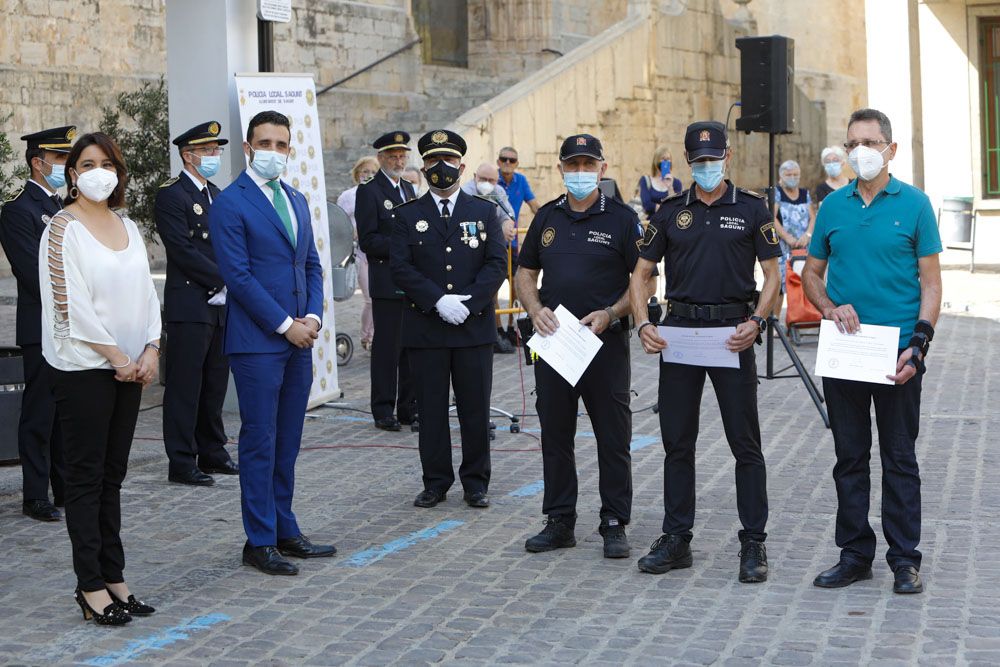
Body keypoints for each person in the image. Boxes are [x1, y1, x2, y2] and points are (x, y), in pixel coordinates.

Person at [628, 121, 781, 583]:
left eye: (713, 160)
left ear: (728, 157)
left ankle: (753, 542)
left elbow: (772, 275)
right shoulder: (672, 210)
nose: (707, 167)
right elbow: (640, 273)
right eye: (699, 161)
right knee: (678, 442)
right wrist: (642, 323)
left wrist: (757, 322)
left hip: (733, 333)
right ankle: (677, 538)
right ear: (688, 161)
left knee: (745, 443)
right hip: (680, 332)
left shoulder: (753, 208)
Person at [802, 108, 943, 595]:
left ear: (890, 149)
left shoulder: (917, 205)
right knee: (849, 456)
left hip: (898, 354)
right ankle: (855, 554)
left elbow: (931, 283)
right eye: (851, 143)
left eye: (869, 142)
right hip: (845, 352)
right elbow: (811, 275)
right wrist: (828, 305)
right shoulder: (834, 208)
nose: (859, 151)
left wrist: (919, 344)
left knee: (899, 456)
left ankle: (905, 559)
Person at [40, 132, 160, 624]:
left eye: (107, 162)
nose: (98, 170)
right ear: (72, 173)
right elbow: (70, 306)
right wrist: (116, 356)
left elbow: (147, 293)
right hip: (87, 368)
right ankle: (89, 586)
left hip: (130, 367)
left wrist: (151, 348)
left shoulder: (127, 225)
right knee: (85, 479)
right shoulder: (61, 228)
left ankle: (115, 577)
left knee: (113, 476)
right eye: (87, 162)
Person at [209, 110, 336, 576]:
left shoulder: (297, 199)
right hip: (258, 343)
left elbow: (312, 265)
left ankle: (285, 527)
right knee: (260, 441)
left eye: (282, 144)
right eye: (265, 143)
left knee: (288, 440)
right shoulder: (231, 202)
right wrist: (286, 324)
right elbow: (238, 277)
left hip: (300, 339)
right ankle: (258, 540)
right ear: (248, 148)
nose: (274, 152)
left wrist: (315, 316)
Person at [515, 133, 653, 559]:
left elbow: (644, 279)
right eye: (572, 165)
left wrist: (612, 314)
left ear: (602, 169)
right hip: (555, 343)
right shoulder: (547, 218)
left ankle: (614, 521)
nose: (579, 172)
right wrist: (534, 308)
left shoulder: (622, 219)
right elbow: (524, 272)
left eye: (587, 165)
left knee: (613, 436)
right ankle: (559, 520)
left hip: (603, 343)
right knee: (555, 433)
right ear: (561, 169)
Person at [390, 129, 506, 509]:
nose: (443, 168)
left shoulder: (484, 211)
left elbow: (495, 265)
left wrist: (468, 303)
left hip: (472, 328)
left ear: (463, 166)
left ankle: (476, 483)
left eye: (450, 161)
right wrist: (438, 300)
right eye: (434, 161)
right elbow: (400, 268)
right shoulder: (406, 215)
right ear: (423, 167)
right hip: (427, 327)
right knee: (432, 410)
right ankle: (435, 481)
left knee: (475, 408)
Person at [155, 121, 238, 487]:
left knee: (214, 382)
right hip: (190, 301)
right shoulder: (172, 195)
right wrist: (222, 279)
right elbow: (182, 249)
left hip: (220, 305)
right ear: (188, 155)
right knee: (185, 385)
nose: (214, 156)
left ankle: (212, 451)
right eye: (207, 151)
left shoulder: (216, 194)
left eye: (216, 150)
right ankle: (182, 460)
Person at [0, 125, 73, 522]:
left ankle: (64, 488)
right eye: (59, 159)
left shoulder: (65, 208)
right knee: (40, 412)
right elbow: (33, 273)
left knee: (66, 412)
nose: (64, 166)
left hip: (71, 327)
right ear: (37, 162)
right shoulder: (17, 210)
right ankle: (35, 494)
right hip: (43, 325)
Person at [356, 131, 419, 432]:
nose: (398, 160)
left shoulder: (408, 188)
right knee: (387, 349)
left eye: (402, 155)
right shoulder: (369, 191)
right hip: (387, 279)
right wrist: (402, 247)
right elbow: (368, 240)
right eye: (392, 155)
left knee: (410, 347)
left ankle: (408, 407)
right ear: (380, 158)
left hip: (411, 282)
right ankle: (383, 408)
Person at [460, 162, 517, 354]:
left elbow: (508, 214)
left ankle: (495, 332)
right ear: (475, 176)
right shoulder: (465, 192)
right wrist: (497, 231)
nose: (487, 183)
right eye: (483, 179)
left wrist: (508, 224)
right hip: (470, 253)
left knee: (492, 289)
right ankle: (491, 332)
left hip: (490, 252)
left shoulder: (498, 192)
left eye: (491, 180)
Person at [496, 146, 540, 346]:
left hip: (512, 244)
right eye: (504, 159)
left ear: (517, 164)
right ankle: (498, 330)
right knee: (493, 290)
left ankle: (513, 328)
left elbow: (534, 205)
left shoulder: (520, 181)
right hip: (494, 243)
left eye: (511, 160)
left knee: (516, 288)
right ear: (498, 161)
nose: (507, 163)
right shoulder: (491, 181)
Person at [336, 156, 379, 350]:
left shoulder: (379, 194)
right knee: (370, 298)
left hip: (377, 253)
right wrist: (353, 232)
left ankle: (374, 336)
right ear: (357, 173)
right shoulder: (348, 196)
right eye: (365, 171)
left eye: (373, 172)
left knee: (379, 298)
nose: (369, 175)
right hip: (358, 253)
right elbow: (340, 222)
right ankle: (366, 336)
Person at [772, 159, 815, 297]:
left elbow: (813, 217)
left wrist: (807, 235)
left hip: (803, 246)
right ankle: (776, 317)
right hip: (783, 246)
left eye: (796, 174)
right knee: (780, 284)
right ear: (781, 177)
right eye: (789, 175)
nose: (793, 178)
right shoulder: (777, 193)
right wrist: (787, 237)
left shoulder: (804, 194)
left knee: (803, 280)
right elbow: (771, 218)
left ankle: (803, 315)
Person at [638, 146, 683, 217]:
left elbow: (677, 205)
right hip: (652, 222)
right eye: (663, 159)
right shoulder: (646, 180)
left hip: (670, 223)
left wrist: (670, 187)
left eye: (668, 159)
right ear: (656, 161)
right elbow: (646, 205)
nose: (665, 162)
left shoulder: (676, 183)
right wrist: (666, 209)